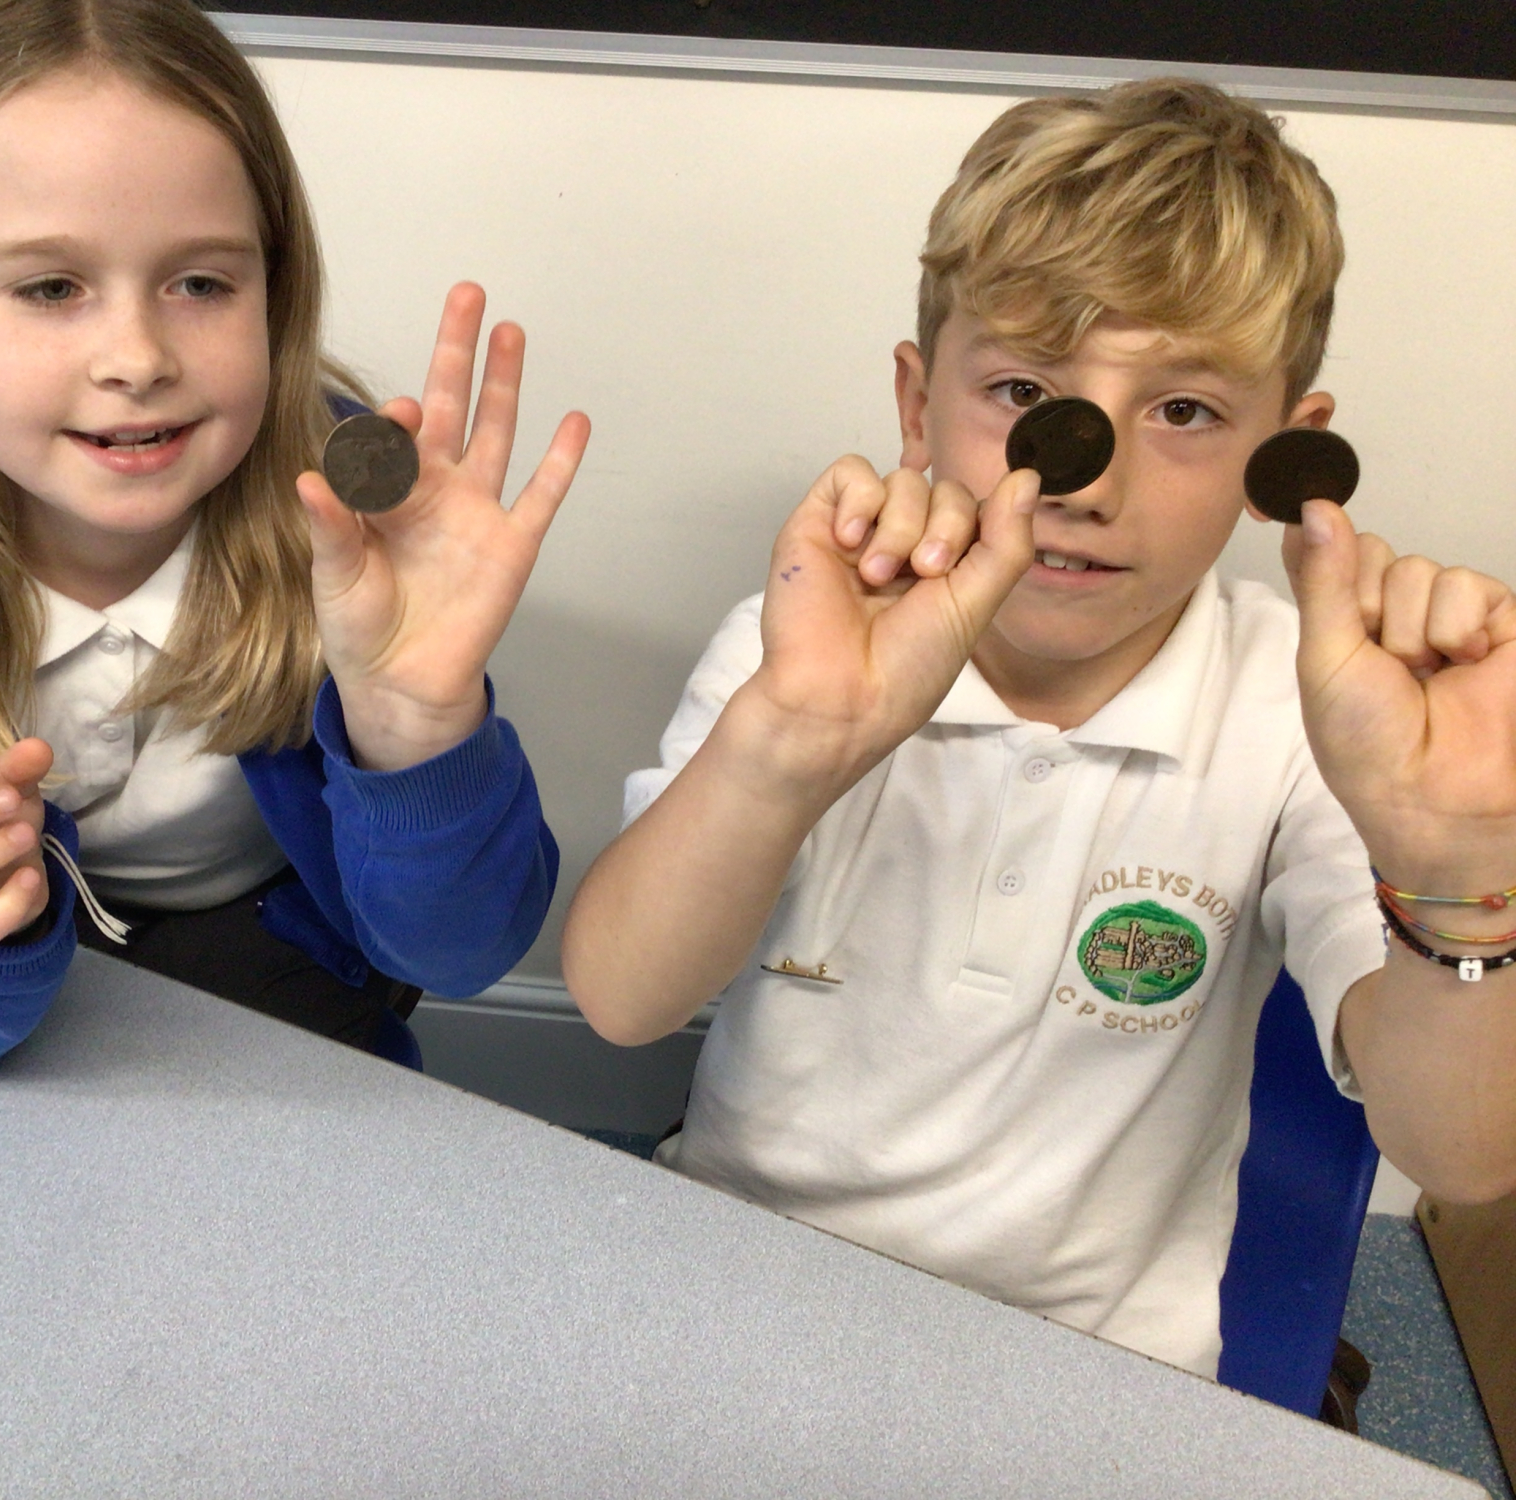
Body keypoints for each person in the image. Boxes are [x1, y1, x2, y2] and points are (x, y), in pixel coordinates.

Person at [563, 80, 1516, 1378]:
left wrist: (1456, 869)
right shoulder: (808, 641)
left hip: (1089, 1364)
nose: (1090, 484)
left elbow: (1462, 1153)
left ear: (1284, 458)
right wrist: (788, 741)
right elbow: (621, 1001)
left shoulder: (1306, 709)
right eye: (1023, 390)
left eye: (1184, 412)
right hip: (741, 1282)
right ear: (916, 404)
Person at [0, 0, 588, 1079]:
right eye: (51, 287)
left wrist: (415, 730)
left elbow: (460, 954)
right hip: (24, 991)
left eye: (199, 283)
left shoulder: (350, 520)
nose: (136, 358)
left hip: (284, 957)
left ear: (270, 291)